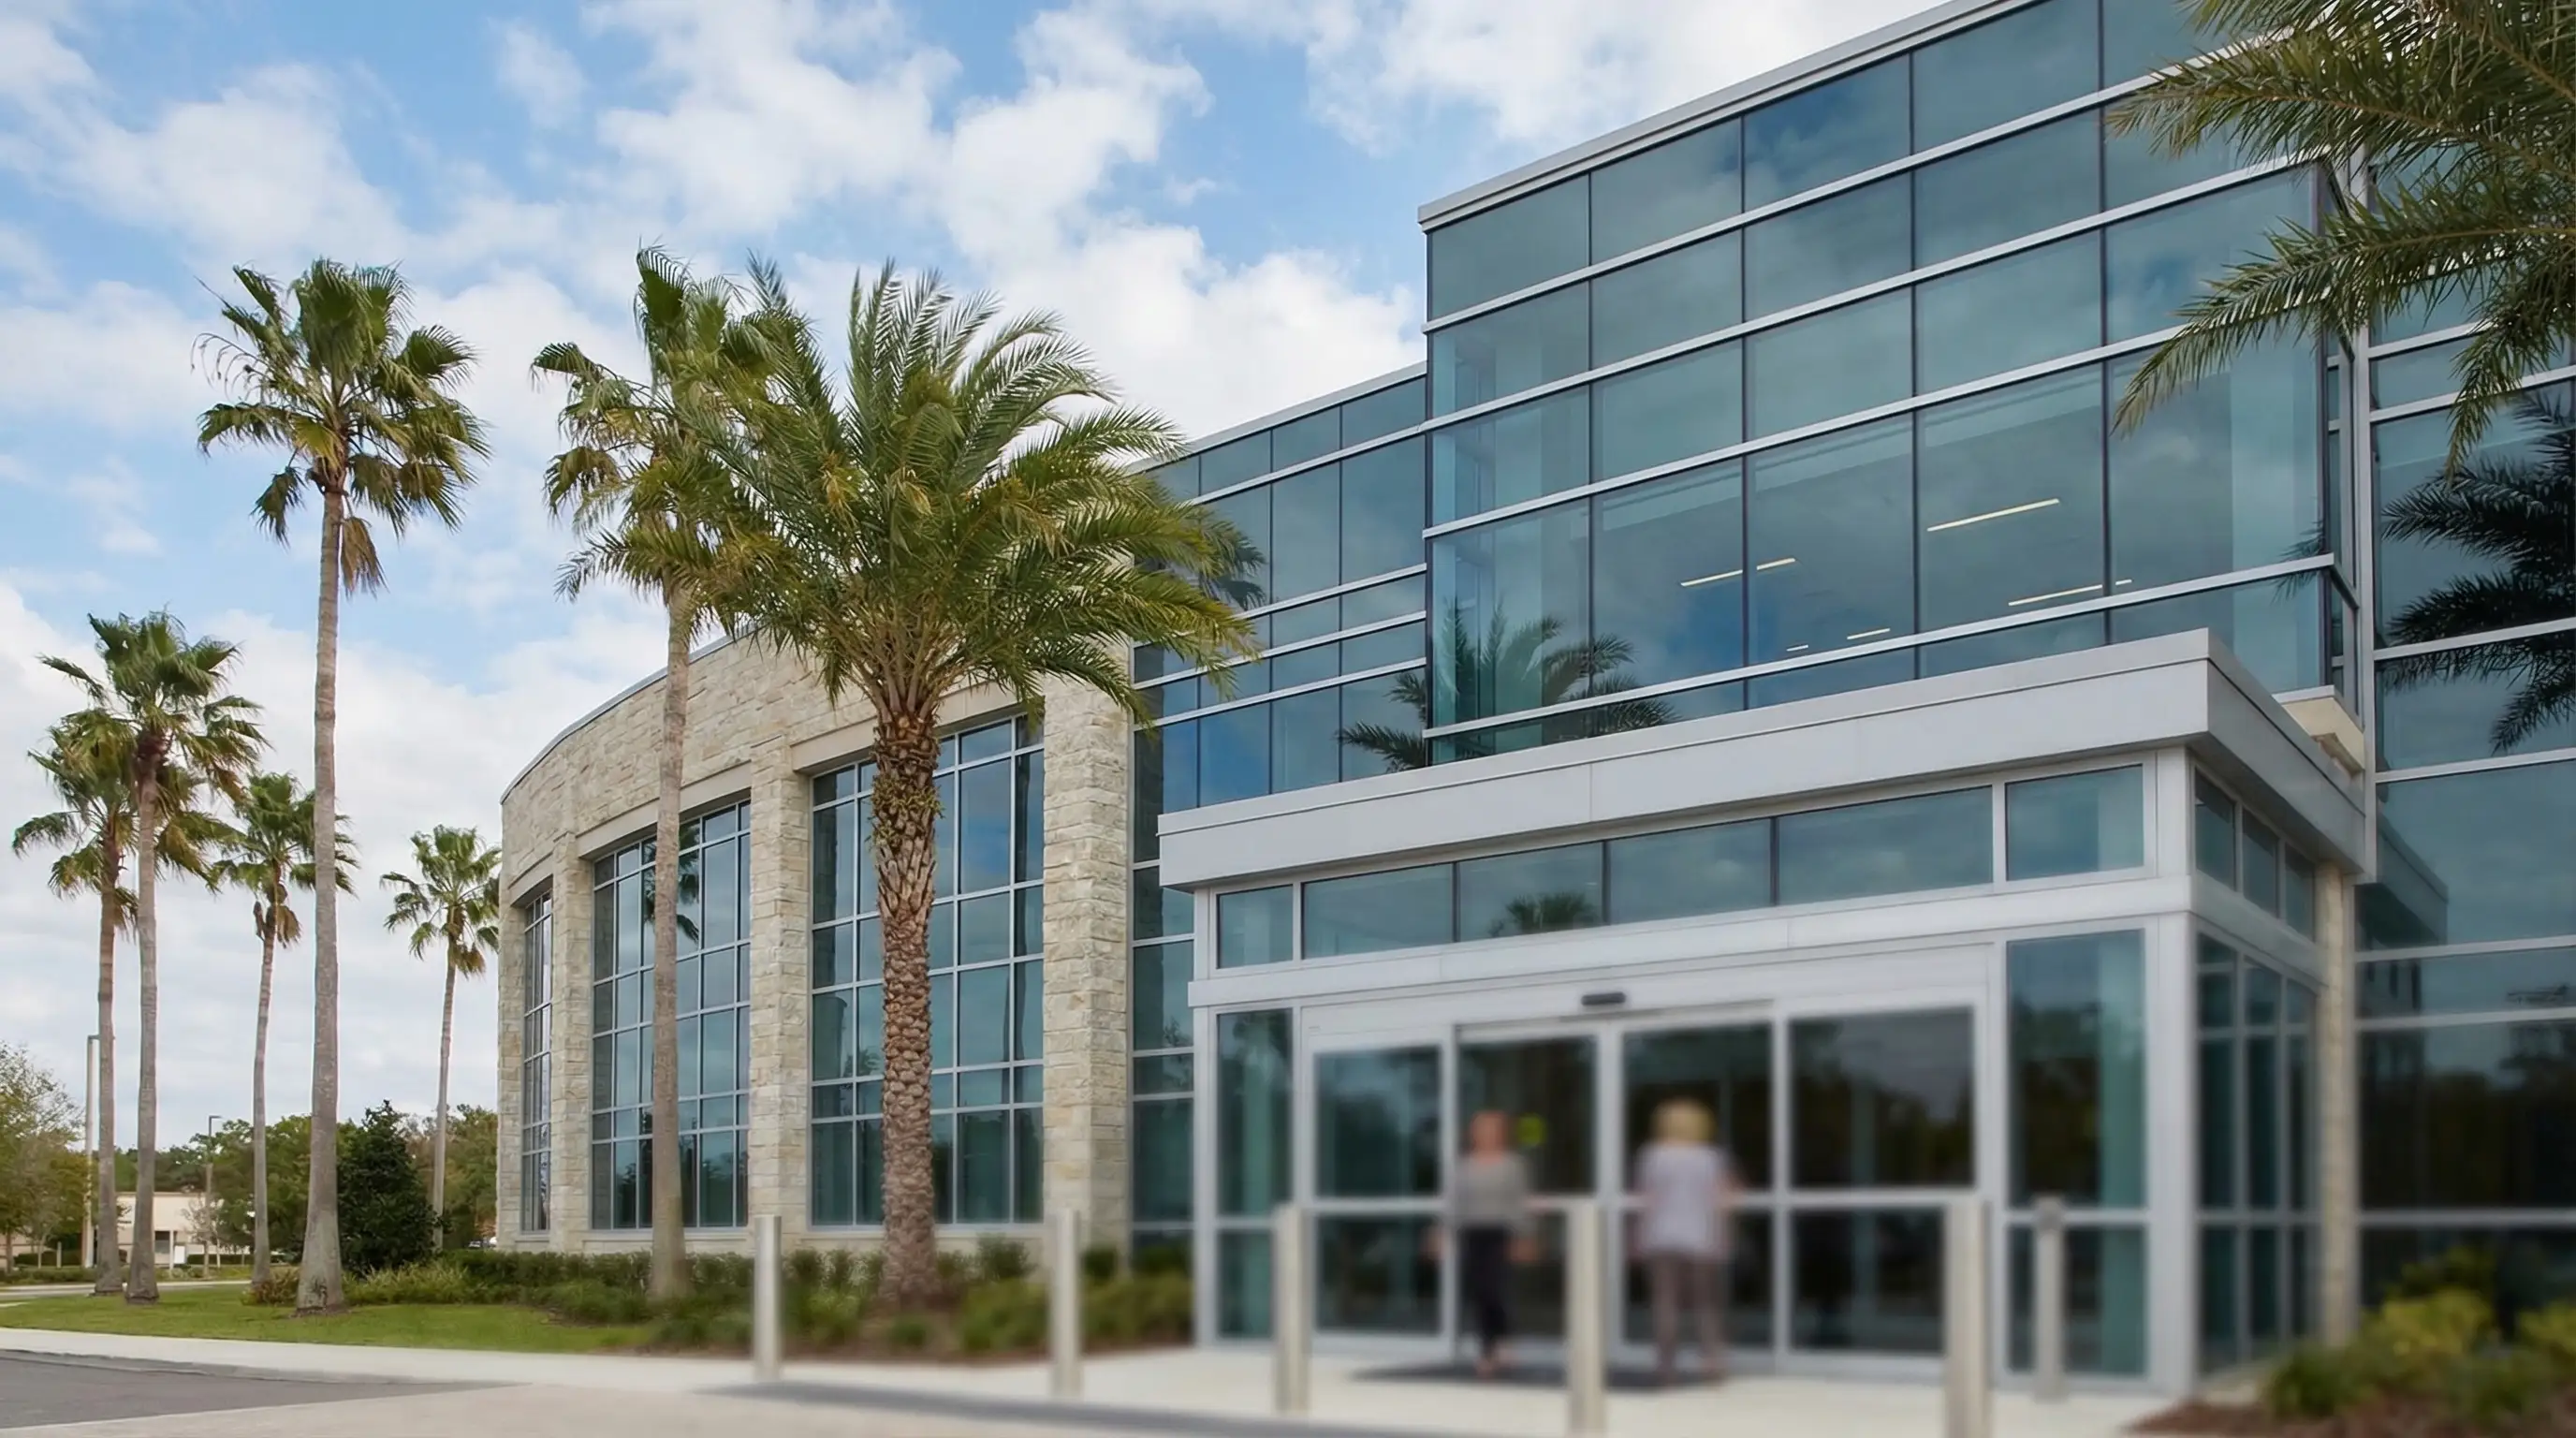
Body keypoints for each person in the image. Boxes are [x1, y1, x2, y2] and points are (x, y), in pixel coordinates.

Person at [1633, 1097, 1734, 1385]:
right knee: (1706, 1304)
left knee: (1665, 1303)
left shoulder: (1653, 1156)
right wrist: (1722, 1235)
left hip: (1661, 1237)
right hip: (1700, 1238)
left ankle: (1666, 1367)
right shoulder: (1710, 1157)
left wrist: (1638, 1237)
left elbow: (1648, 1200)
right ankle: (1712, 1362)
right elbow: (1722, 1199)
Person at [1445, 1108, 1534, 1378]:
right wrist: (1443, 1232)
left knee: (1496, 1290)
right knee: (1479, 1293)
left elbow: (1518, 1201)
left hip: (1501, 1232)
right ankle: (1488, 1349)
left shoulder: (1513, 1164)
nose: (1484, 1134)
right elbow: (1455, 1201)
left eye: (1490, 1129)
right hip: (1472, 1232)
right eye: (1479, 1129)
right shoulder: (1464, 1165)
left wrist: (1523, 1236)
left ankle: (1501, 1342)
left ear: (1500, 1133)